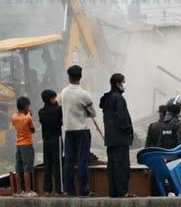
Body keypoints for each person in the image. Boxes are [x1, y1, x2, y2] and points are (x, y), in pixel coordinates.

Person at [61, 64, 96, 197]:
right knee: (82, 161)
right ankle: (84, 190)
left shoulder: (64, 92)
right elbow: (93, 113)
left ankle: (69, 190)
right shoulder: (84, 94)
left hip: (68, 130)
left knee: (68, 161)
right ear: (80, 77)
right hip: (82, 131)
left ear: (69, 77)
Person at [99, 73, 134, 198]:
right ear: (118, 84)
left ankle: (113, 192)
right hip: (120, 139)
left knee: (112, 167)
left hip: (110, 138)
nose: (125, 85)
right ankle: (123, 192)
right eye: (124, 82)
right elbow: (121, 118)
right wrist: (128, 130)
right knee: (122, 166)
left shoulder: (107, 98)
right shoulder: (118, 99)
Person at [39, 89, 63, 197]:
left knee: (47, 164)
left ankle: (47, 190)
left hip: (46, 140)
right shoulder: (58, 110)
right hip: (56, 138)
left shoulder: (41, 112)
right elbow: (61, 122)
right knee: (57, 164)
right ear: (50, 99)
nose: (55, 100)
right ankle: (59, 190)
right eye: (54, 98)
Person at [12, 96, 37, 197]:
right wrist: (30, 115)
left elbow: (15, 125)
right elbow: (33, 130)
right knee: (27, 168)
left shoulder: (14, 117)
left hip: (18, 144)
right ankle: (28, 191)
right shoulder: (28, 118)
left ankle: (19, 191)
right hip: (27, 144)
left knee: (18, 168)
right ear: (26, 106)